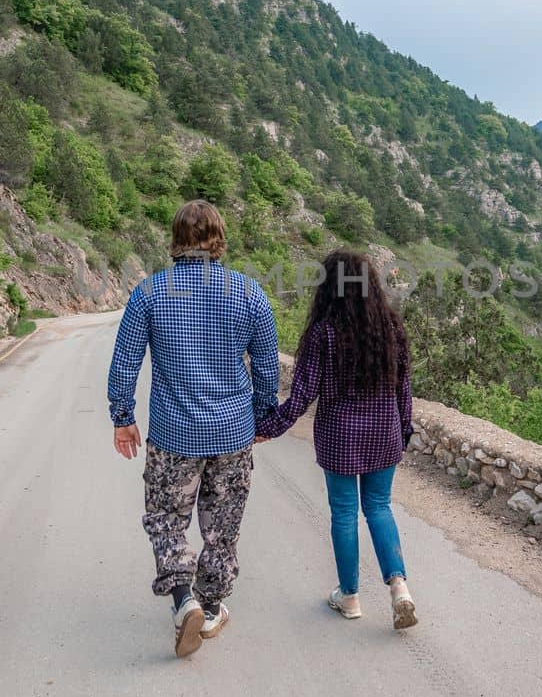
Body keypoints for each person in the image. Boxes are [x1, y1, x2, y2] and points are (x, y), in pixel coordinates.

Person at [107, 200, 279, 659]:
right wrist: (263, 414)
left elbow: (125, 360)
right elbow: (266, 364)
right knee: (222, 526)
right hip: (232, 434)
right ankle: (212, 603)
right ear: (220, 238)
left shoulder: (150, 293)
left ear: (176, 240)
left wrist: (123, 418)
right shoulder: (249, 293)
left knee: (166, 516)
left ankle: (184, 601)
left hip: (173, 435)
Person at [255, 249, 417, 629]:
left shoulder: (323, 333)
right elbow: (403, 391)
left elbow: (301, 396)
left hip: (340, 435)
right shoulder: (391, 328)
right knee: (379, 507)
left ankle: (350, 598)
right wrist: (403, 431)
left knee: (344, 513)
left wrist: (268, 428)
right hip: (383, 433)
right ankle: (400, 589)